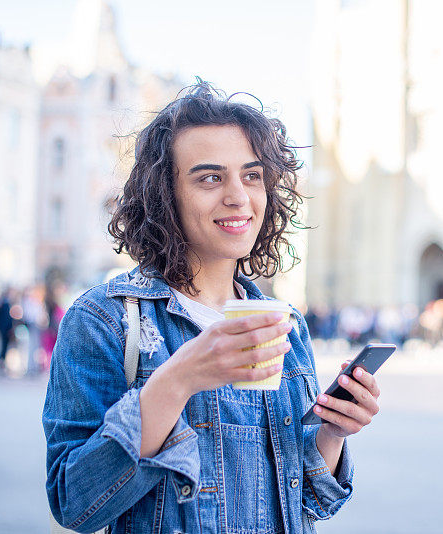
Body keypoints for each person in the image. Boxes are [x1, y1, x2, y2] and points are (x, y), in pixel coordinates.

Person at [43, 82, 381, 534]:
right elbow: (73, 502)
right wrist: (178, 380)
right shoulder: (101, 320)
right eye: (210, 177)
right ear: (165, 194)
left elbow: (308, 502)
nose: (238, 196)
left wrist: (332, 433)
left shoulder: (285, 324)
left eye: (252, 175)